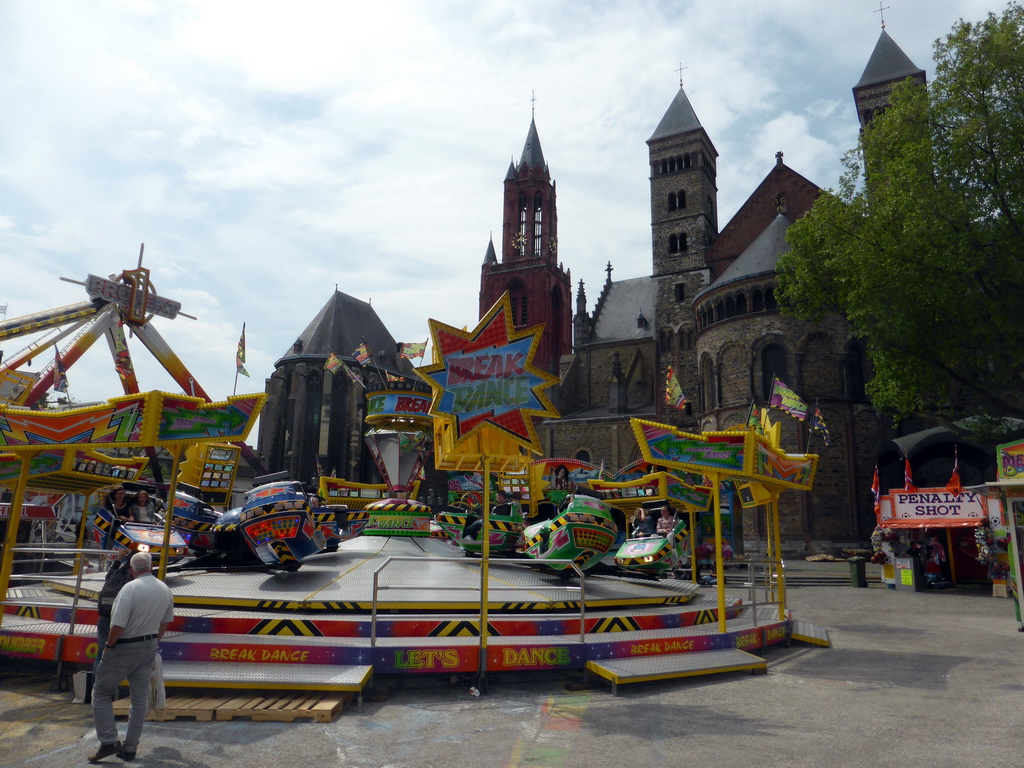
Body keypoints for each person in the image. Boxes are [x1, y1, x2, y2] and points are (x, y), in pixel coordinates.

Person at [90, 552, 174, 763]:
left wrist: (109, 646)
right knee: (139, 700)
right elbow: (165, 621)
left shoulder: (129, 589)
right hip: (148, 646)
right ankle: (129, 748)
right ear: (151, 567)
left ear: (132, 570)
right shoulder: (164, 589)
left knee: (100, 693)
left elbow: (118, 624)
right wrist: (155, 641)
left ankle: (109, 742)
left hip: (124, 647)